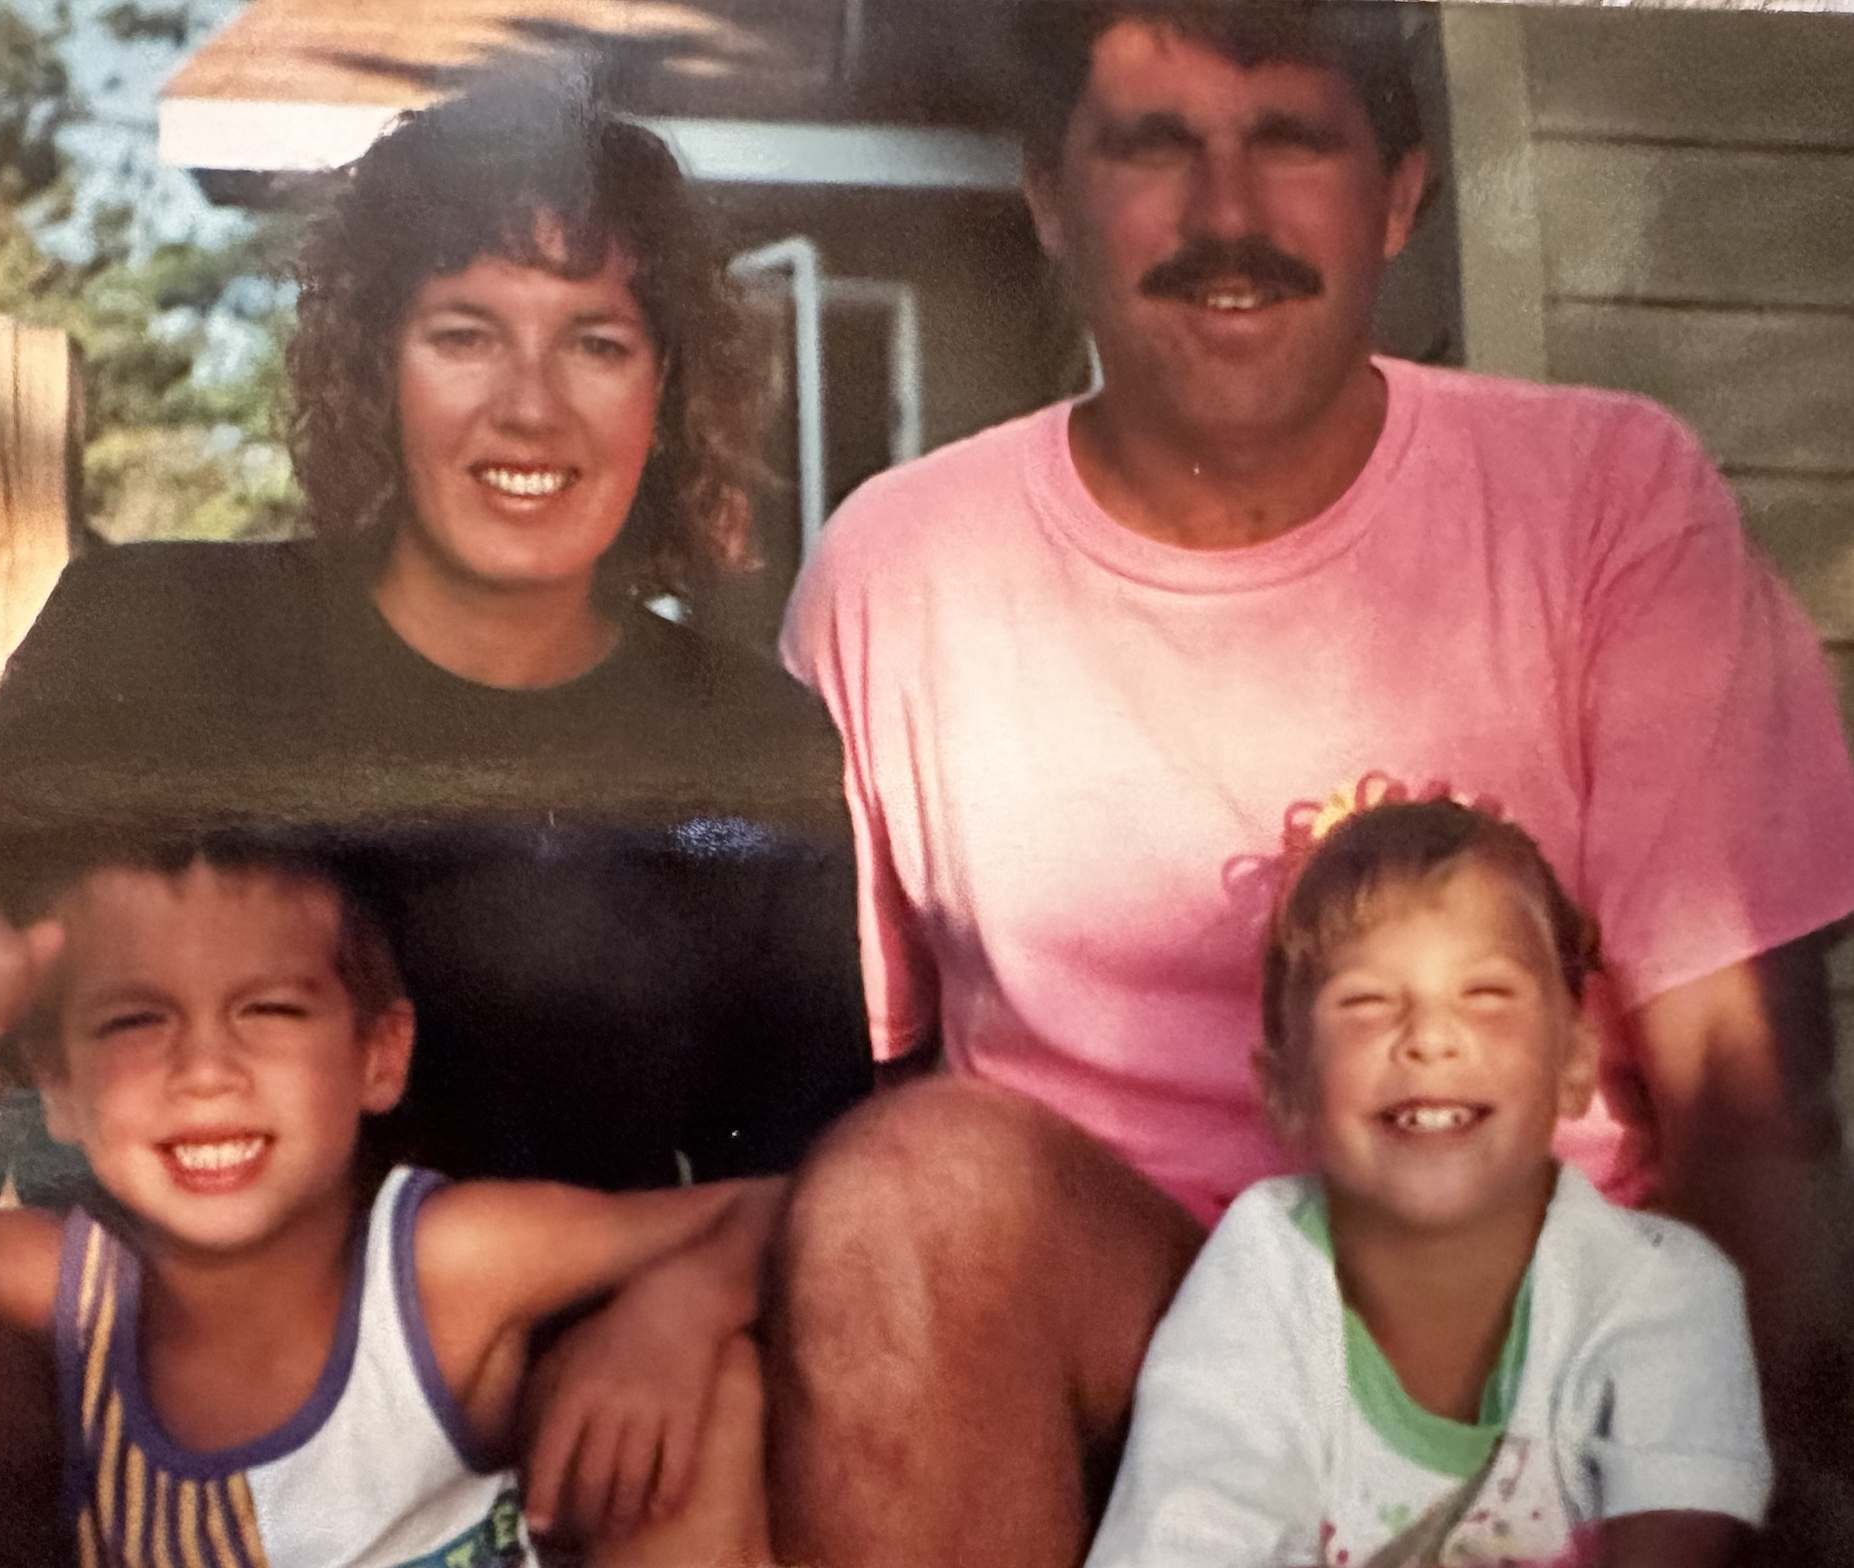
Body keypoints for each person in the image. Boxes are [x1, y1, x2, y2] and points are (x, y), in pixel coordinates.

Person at [771, 3, 1854, 1564]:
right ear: (1050, 198)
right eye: (1154, 147)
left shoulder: (1606, 502)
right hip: (1117, 1364)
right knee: (903, 1198)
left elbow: (1746, 1107)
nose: (1227, 219)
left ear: (1399, 197)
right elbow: (837, 1113)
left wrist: (1730, 1490)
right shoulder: (900, 568)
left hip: (1526, 1351)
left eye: (1291, 139)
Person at [0, 79, 868, 1563]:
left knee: (717, 1400)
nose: (528, 405)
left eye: (594, 343)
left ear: (665, 393)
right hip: (140, 1369)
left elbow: (814, 1171)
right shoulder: (148, 633)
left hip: (512, 1387)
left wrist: (687, 1300)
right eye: (464, 334)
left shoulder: (746, 742)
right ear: (377, 366)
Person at [0, 838, 780, 1568]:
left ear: (378, 1054)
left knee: (718, 1384)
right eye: (138, 1020)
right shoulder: (62, 1286)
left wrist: (679, 1306)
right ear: (59, 1088)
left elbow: (788, 1206)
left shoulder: (446, 1267)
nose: (206, 1068)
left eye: (268, 1009)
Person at [1086, 798, 1771, 1567]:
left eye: (1485, 996)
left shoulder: (1658, 1290)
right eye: (1368, 1004)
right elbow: (1192, 1531)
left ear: (1575, 1061)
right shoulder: (1265, 1272)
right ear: (1284, 1086)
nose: (1430, 1038)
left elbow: (1681, 1542)